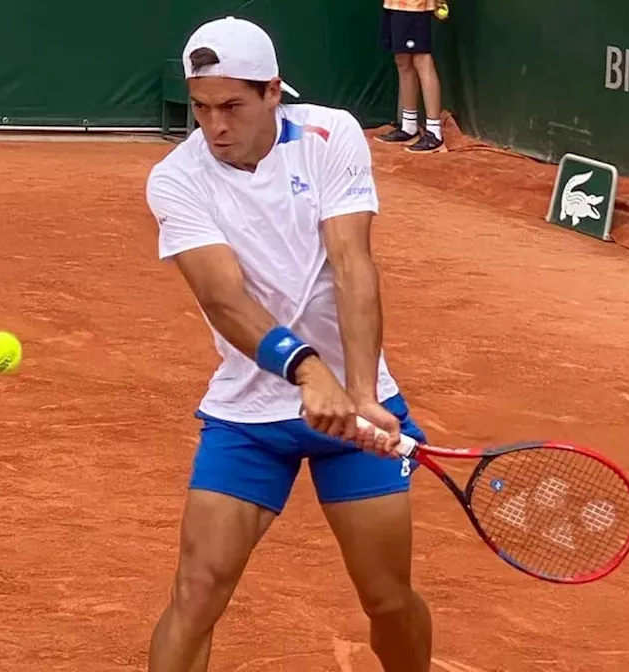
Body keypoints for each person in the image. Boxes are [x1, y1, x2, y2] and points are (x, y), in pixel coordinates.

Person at [143, 15, 433, 672]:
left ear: (274, 92)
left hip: (360, 411)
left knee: (387, 600)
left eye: (232, 107)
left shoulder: (331, 134)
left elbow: (351, 261)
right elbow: (224, 299)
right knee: (196, 592)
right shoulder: (176, 178)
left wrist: (359, 393)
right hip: (250, 417)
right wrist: (308, 373)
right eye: (201, 108)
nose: (214, 126)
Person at [374, 0, 447, 153]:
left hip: (416, 6)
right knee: (402, 59)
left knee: (421, 59)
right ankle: (409, 126)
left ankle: (434, 132)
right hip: (394, 5)